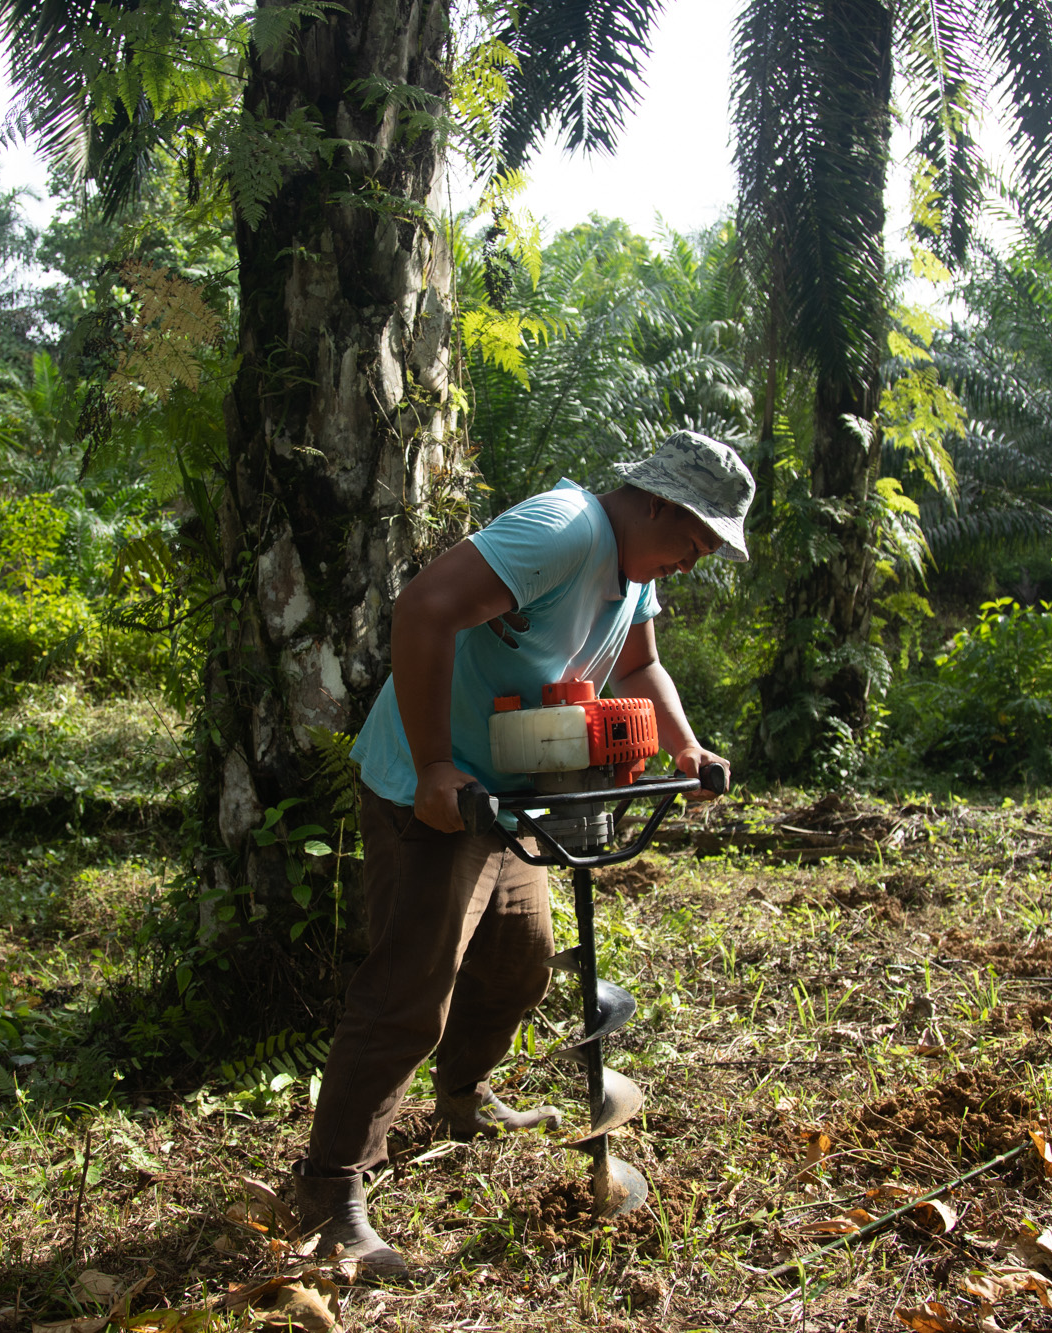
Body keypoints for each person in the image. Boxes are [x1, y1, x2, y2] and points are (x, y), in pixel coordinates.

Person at [292, 431, 756, 1274]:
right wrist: (435, 763)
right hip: (428, 789)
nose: (696, 559)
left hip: (506, 794)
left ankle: (461, 1098)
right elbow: (424, 608)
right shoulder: (566, 529)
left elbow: (641, 663)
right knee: (409, 990)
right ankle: (330, 1189)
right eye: (695, 538)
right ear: (657, 501)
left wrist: (686, 750)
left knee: (521, 960)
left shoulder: (633, 575)